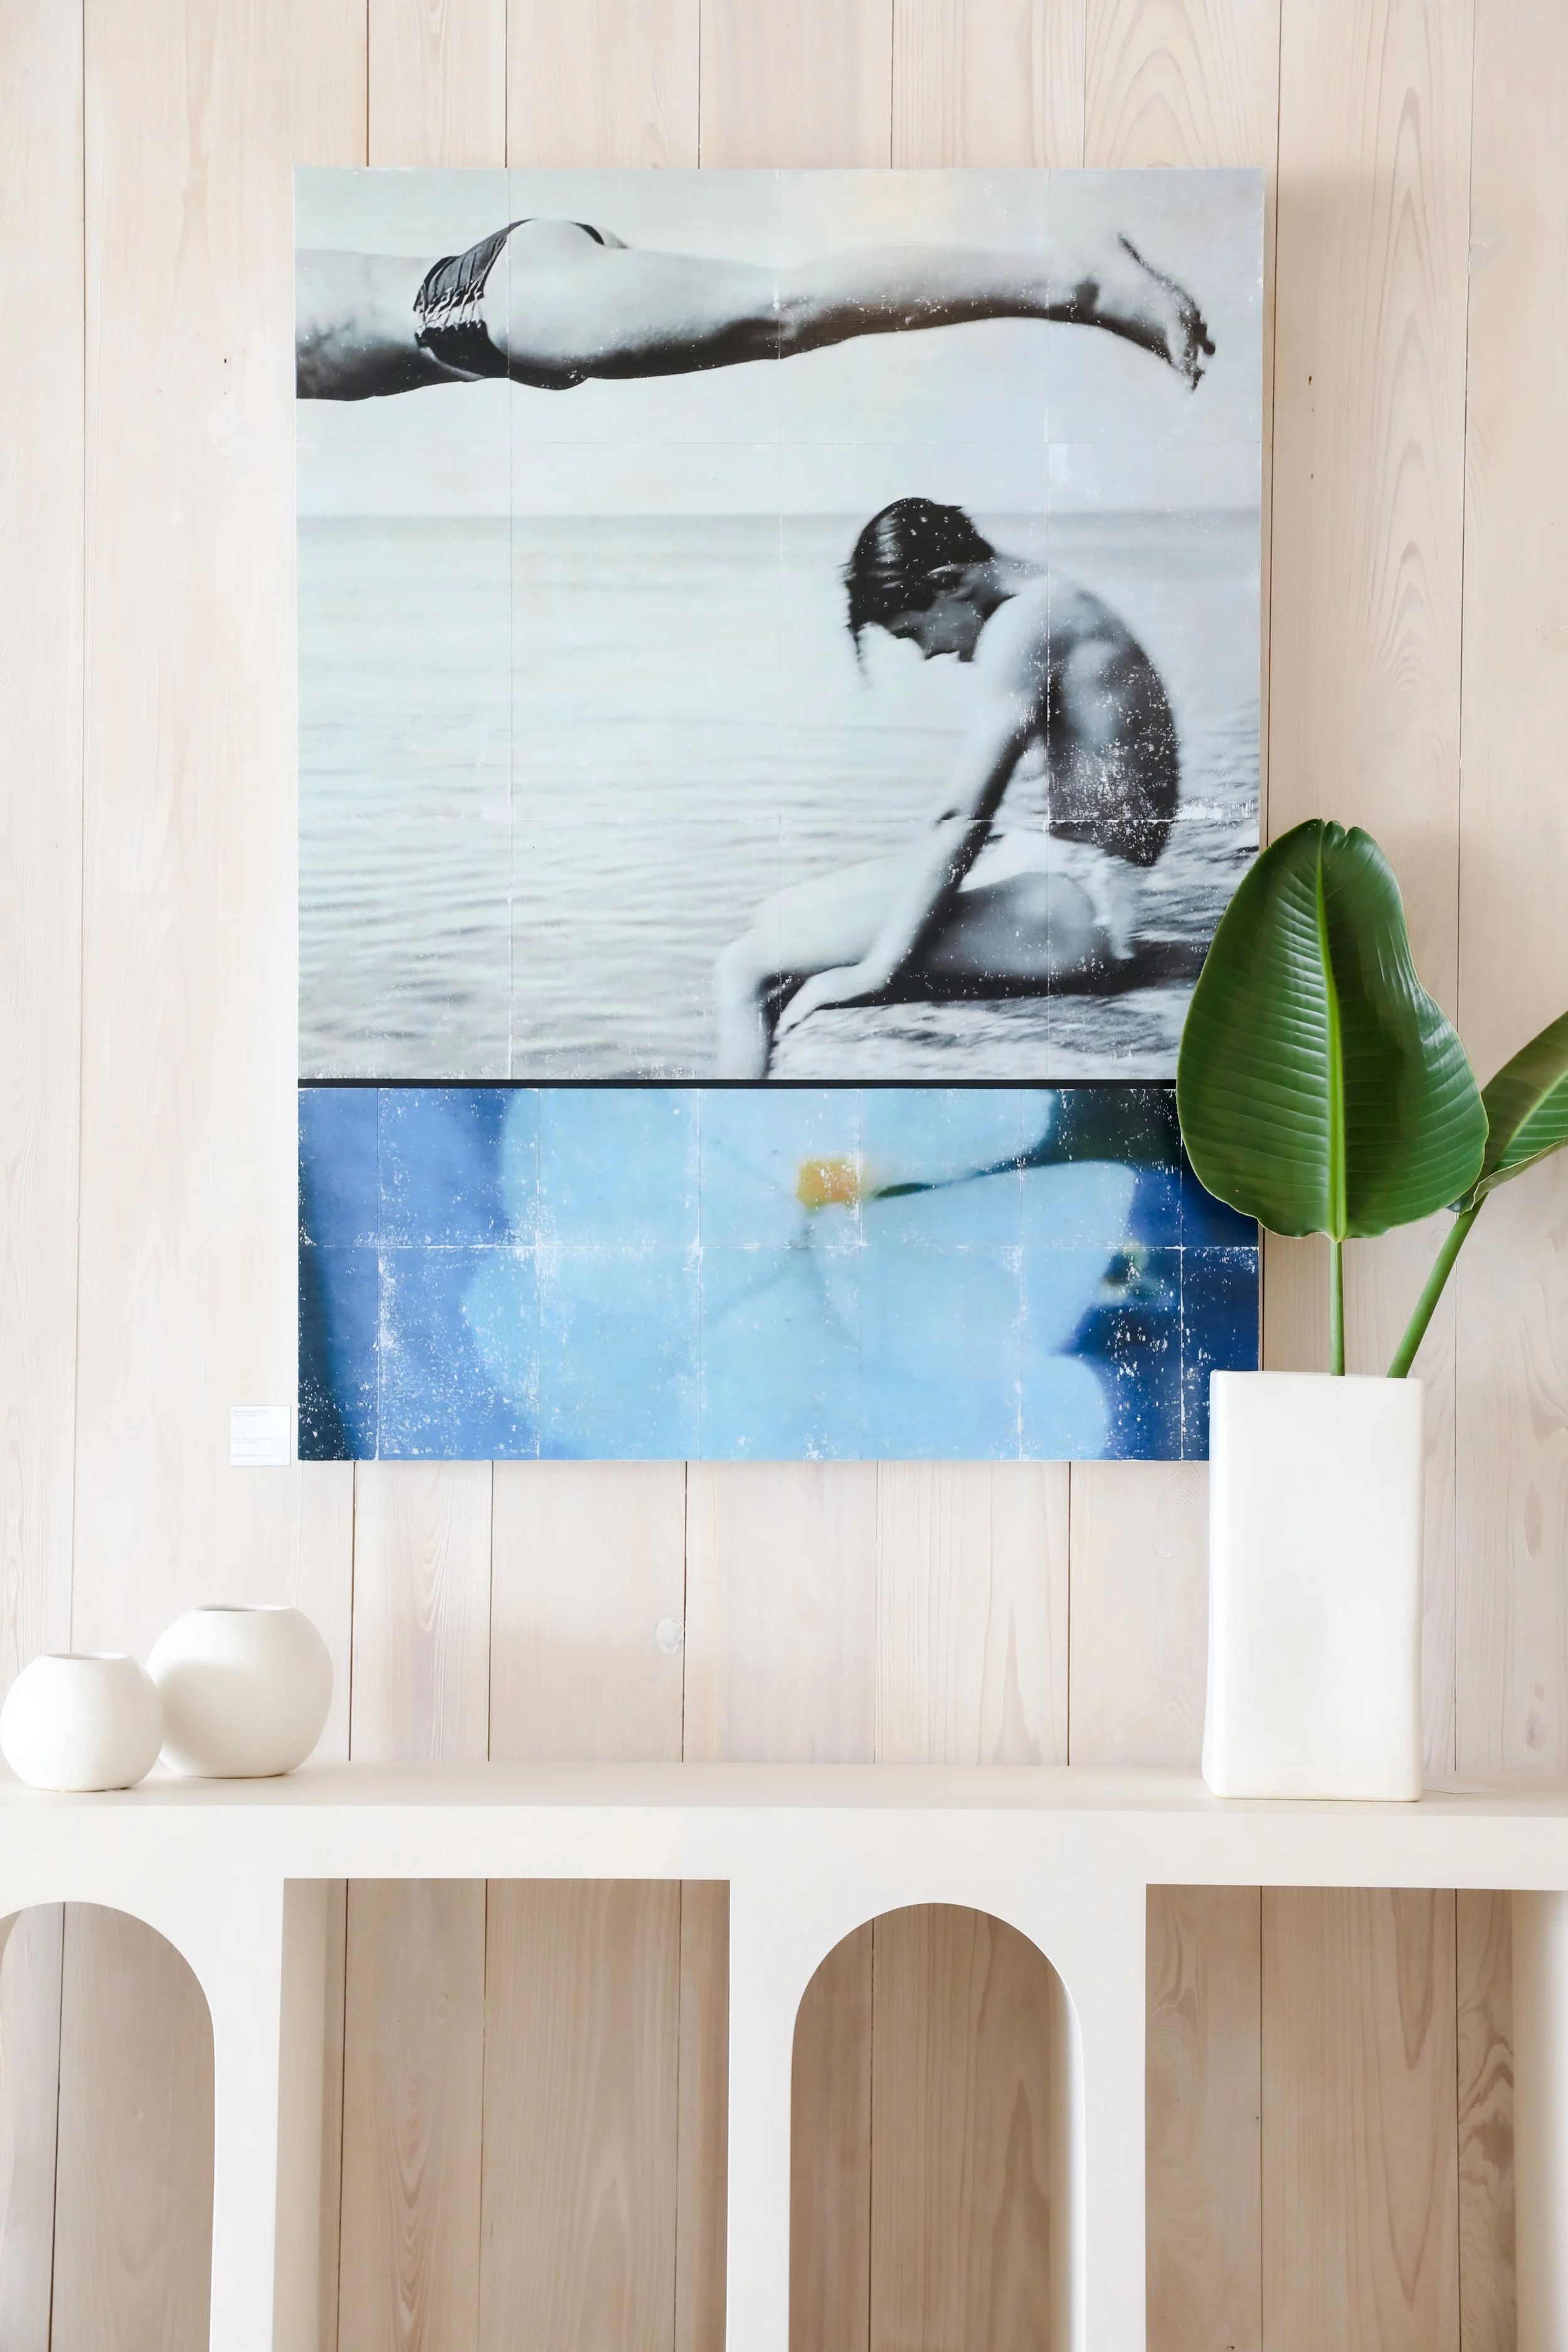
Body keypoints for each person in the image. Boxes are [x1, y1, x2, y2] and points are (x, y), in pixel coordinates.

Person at [714, 497, 1179, 1078]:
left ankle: (732, 1125)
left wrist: (876, 972)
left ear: (948, 582)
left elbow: (963, 816)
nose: (930, 652)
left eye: (915, 632)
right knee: (778, 914)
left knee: (743, 969)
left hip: (1077, 912)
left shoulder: (1027, 623)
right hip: (1067, 885)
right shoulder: (1050, 602)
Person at [295, 216, 1214, 399]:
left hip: (480, 304)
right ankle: (1075, 282)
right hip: (491, 316)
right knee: (782, 315)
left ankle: (1079, 281)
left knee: (784, 310)